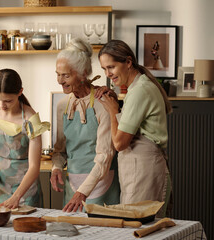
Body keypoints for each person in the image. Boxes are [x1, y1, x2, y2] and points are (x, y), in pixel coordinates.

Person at [97, 39, 172, 216]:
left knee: (139, 227)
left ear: (128, 62)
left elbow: (119, 143)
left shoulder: (139, 91)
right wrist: (116, 104)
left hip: (143, 169)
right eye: (104, 69)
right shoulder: (138, 87)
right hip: (141, 168)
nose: (108, 73)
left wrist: (113, 110)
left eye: (111, 67)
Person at [50, 38, 120, 213]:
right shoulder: (62, 105)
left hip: (101, 185)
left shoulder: (103, 103)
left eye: (66, 75)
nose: (60, 80)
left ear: (83, 73)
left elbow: (105, 156)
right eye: (57, 74)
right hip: (72, 187)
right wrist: (56, 167)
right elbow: (60, 150)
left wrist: (83, 192)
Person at [0, 68, 50, 209]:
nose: (2, 105)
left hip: (25, 191)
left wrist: (16, 197)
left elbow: (34, 166)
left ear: (20, 92)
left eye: (8, 101)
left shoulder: (30, 119)